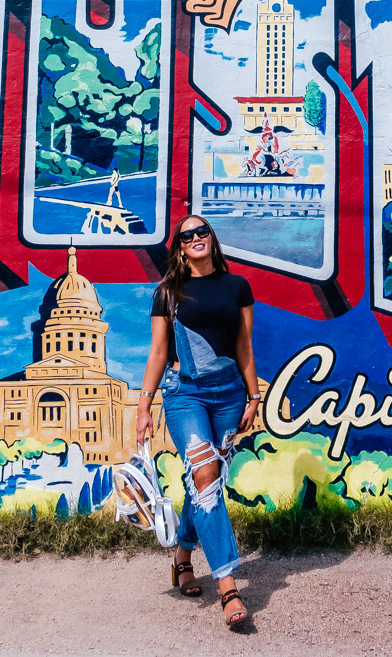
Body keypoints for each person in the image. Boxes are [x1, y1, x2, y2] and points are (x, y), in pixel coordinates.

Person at [136, 214, 260, 630]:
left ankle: (182, 558)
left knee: (205, 482)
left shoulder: (237, 286)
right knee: (205, 474)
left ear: (211, 238)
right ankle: (228, 586)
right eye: (186, 235)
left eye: (201, 231)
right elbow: (157, 353)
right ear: (180, 248)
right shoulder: (167, 293)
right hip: (183, 392)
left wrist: (253, 395)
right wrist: (143, 407)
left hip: (229, 394)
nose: (195, 238)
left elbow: (243, 344)